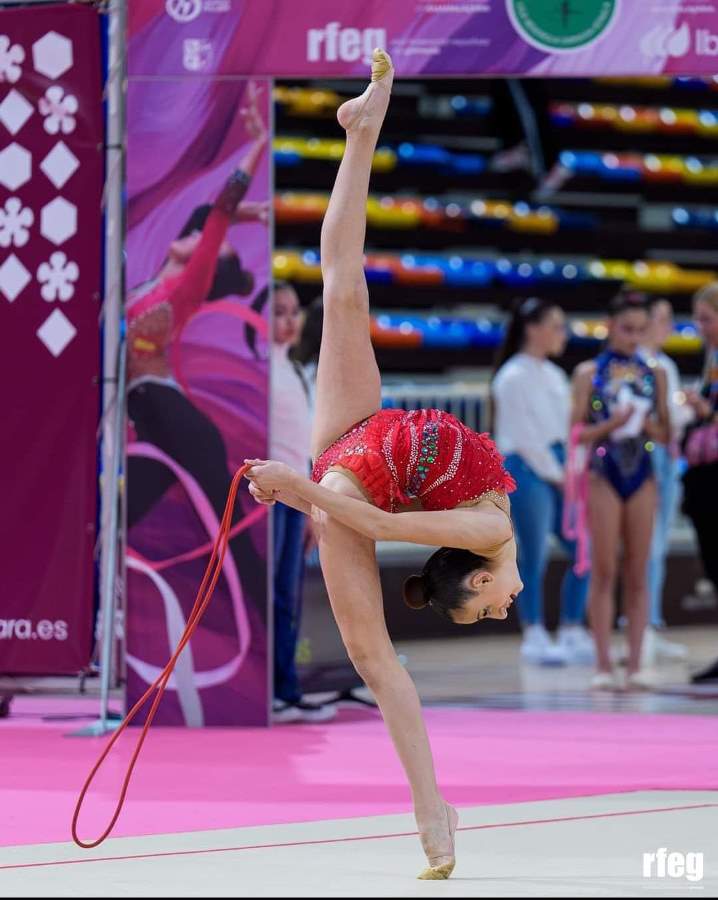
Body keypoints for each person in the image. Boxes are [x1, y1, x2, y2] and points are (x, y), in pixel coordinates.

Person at [243, 50, 523, 880]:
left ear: (471, 578)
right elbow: (382, 523)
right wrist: (297, 488)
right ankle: (361, 131)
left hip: (354, 471)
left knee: (374, 659)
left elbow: (375, 522)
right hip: (367, 446)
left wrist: (299, 488)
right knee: (344, 285)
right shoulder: (487, 527)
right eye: (496, 611)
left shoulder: (486, 533)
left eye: (486, 613)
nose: (503, 608)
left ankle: (430, 810)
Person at [126, 83, 268, 599]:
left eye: (214, 241)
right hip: (156, 416)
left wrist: (259, 142)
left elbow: (221, 207)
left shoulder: (188, 284)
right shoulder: (148, 285)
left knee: (227, 527)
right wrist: (252, 214)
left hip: (168, 411)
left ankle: (257, 607)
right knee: (124, 516)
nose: (202, 234)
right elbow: (208, 215)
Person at [570, 293, 670, 690]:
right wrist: (612, 424)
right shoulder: (588, 373)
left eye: (640, 330)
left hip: (642, 473)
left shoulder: (655, 373)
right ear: (610, 325)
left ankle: (635, 665)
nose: (633, 337)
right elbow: (577, 432)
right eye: (626, 329)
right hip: (602, 472)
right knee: (605, 568)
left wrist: (645, 427)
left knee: (639, 570)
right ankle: (603, 664)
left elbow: (666, 434)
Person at [492, 298, 592, 666]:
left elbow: (565, 429)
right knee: (533, 554)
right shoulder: (512, 376)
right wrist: (556, 474)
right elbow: (525, 437)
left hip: (557, 464)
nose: (562, 334)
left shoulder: (553, 374)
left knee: (584, 550)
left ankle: (570, 628)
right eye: (556, 325)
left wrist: (570, 468)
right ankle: (533, 632)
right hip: (527, 468)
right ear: (533, 328)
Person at [271, 281, 336, 723]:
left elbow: (304, 445)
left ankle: (285, 686)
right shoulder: (259, 370)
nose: (290, 321)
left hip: (296, 494)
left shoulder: (293, 370)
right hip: (269, 496)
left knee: (288, 595)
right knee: (273, 596)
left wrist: (314, 503)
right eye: (279, 312)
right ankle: (275, 688)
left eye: (294, 311)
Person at [640, 298, 690, 664]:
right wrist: (687, 409)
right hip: (649, 457)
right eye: (661, 318)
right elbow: (661, 416)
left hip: (668, 458)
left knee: (658, 544)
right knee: (648, 546)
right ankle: (642, 626)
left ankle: (650, 624)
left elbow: (672, 416)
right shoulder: (640, 366)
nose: (667, 324)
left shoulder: (665, 364)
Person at [682, 283, 718, 683]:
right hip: (704, 474)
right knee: (713, 563)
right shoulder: (711, 358)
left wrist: (704, 409)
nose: (699, 327)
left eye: (706, 318)